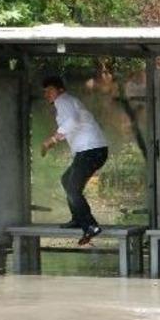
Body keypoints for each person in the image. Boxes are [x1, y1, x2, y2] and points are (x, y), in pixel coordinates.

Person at [40, 76, 109, 245]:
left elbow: (72, 121)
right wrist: (57, 139)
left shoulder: (62, 100)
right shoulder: (69, 101)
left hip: (90, 150)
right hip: (93, 150)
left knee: (72, 187)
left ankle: (90, 225)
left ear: (61, 90)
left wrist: (52, 140)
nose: (47, 94)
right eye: (45, 92)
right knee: (66, 180)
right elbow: (73, 124)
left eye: (50, 90)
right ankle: (78, 219)